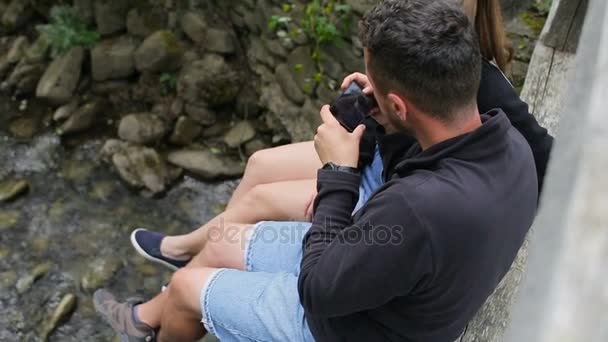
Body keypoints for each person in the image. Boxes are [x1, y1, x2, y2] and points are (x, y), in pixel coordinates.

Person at [93, 1, 539, 341]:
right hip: (389, 276)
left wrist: (338, 176)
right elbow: (394, 222)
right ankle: (144, 320)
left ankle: (171, 314)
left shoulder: (416, 206)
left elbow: (318, 290)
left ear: (400, 104)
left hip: (355, 322)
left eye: (380, 94)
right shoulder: (511, 145)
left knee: (189, 287)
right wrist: (390, 125)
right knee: (219, 239)